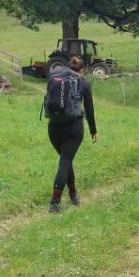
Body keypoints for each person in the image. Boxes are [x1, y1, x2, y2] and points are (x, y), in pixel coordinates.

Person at [47, 56, 98, 213]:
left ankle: (73, 195)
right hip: (74, 129)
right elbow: (89, 110)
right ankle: (55, 203)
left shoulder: (56, 78)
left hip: (54, 127)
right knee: (65, 162)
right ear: (81, 70)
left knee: (66, 161)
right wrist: (93, 131)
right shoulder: (84, 84)